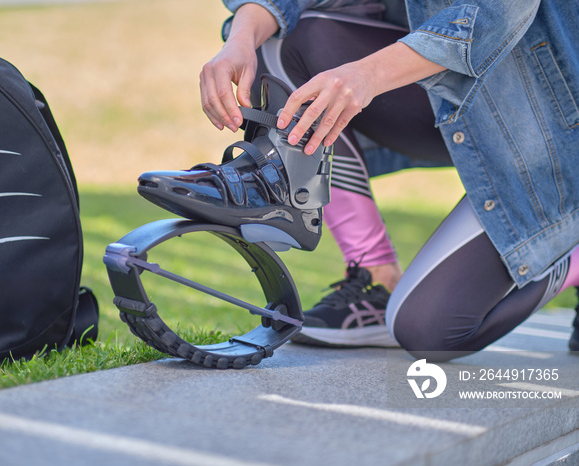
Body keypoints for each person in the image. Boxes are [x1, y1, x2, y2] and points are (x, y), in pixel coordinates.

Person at [196, 0, 579, 360]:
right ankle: (377, 277)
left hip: (555, 130)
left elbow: (494, 13)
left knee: (428, 332)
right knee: (281, 42)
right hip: (464, 99)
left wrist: (367, 74)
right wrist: (241, 39)